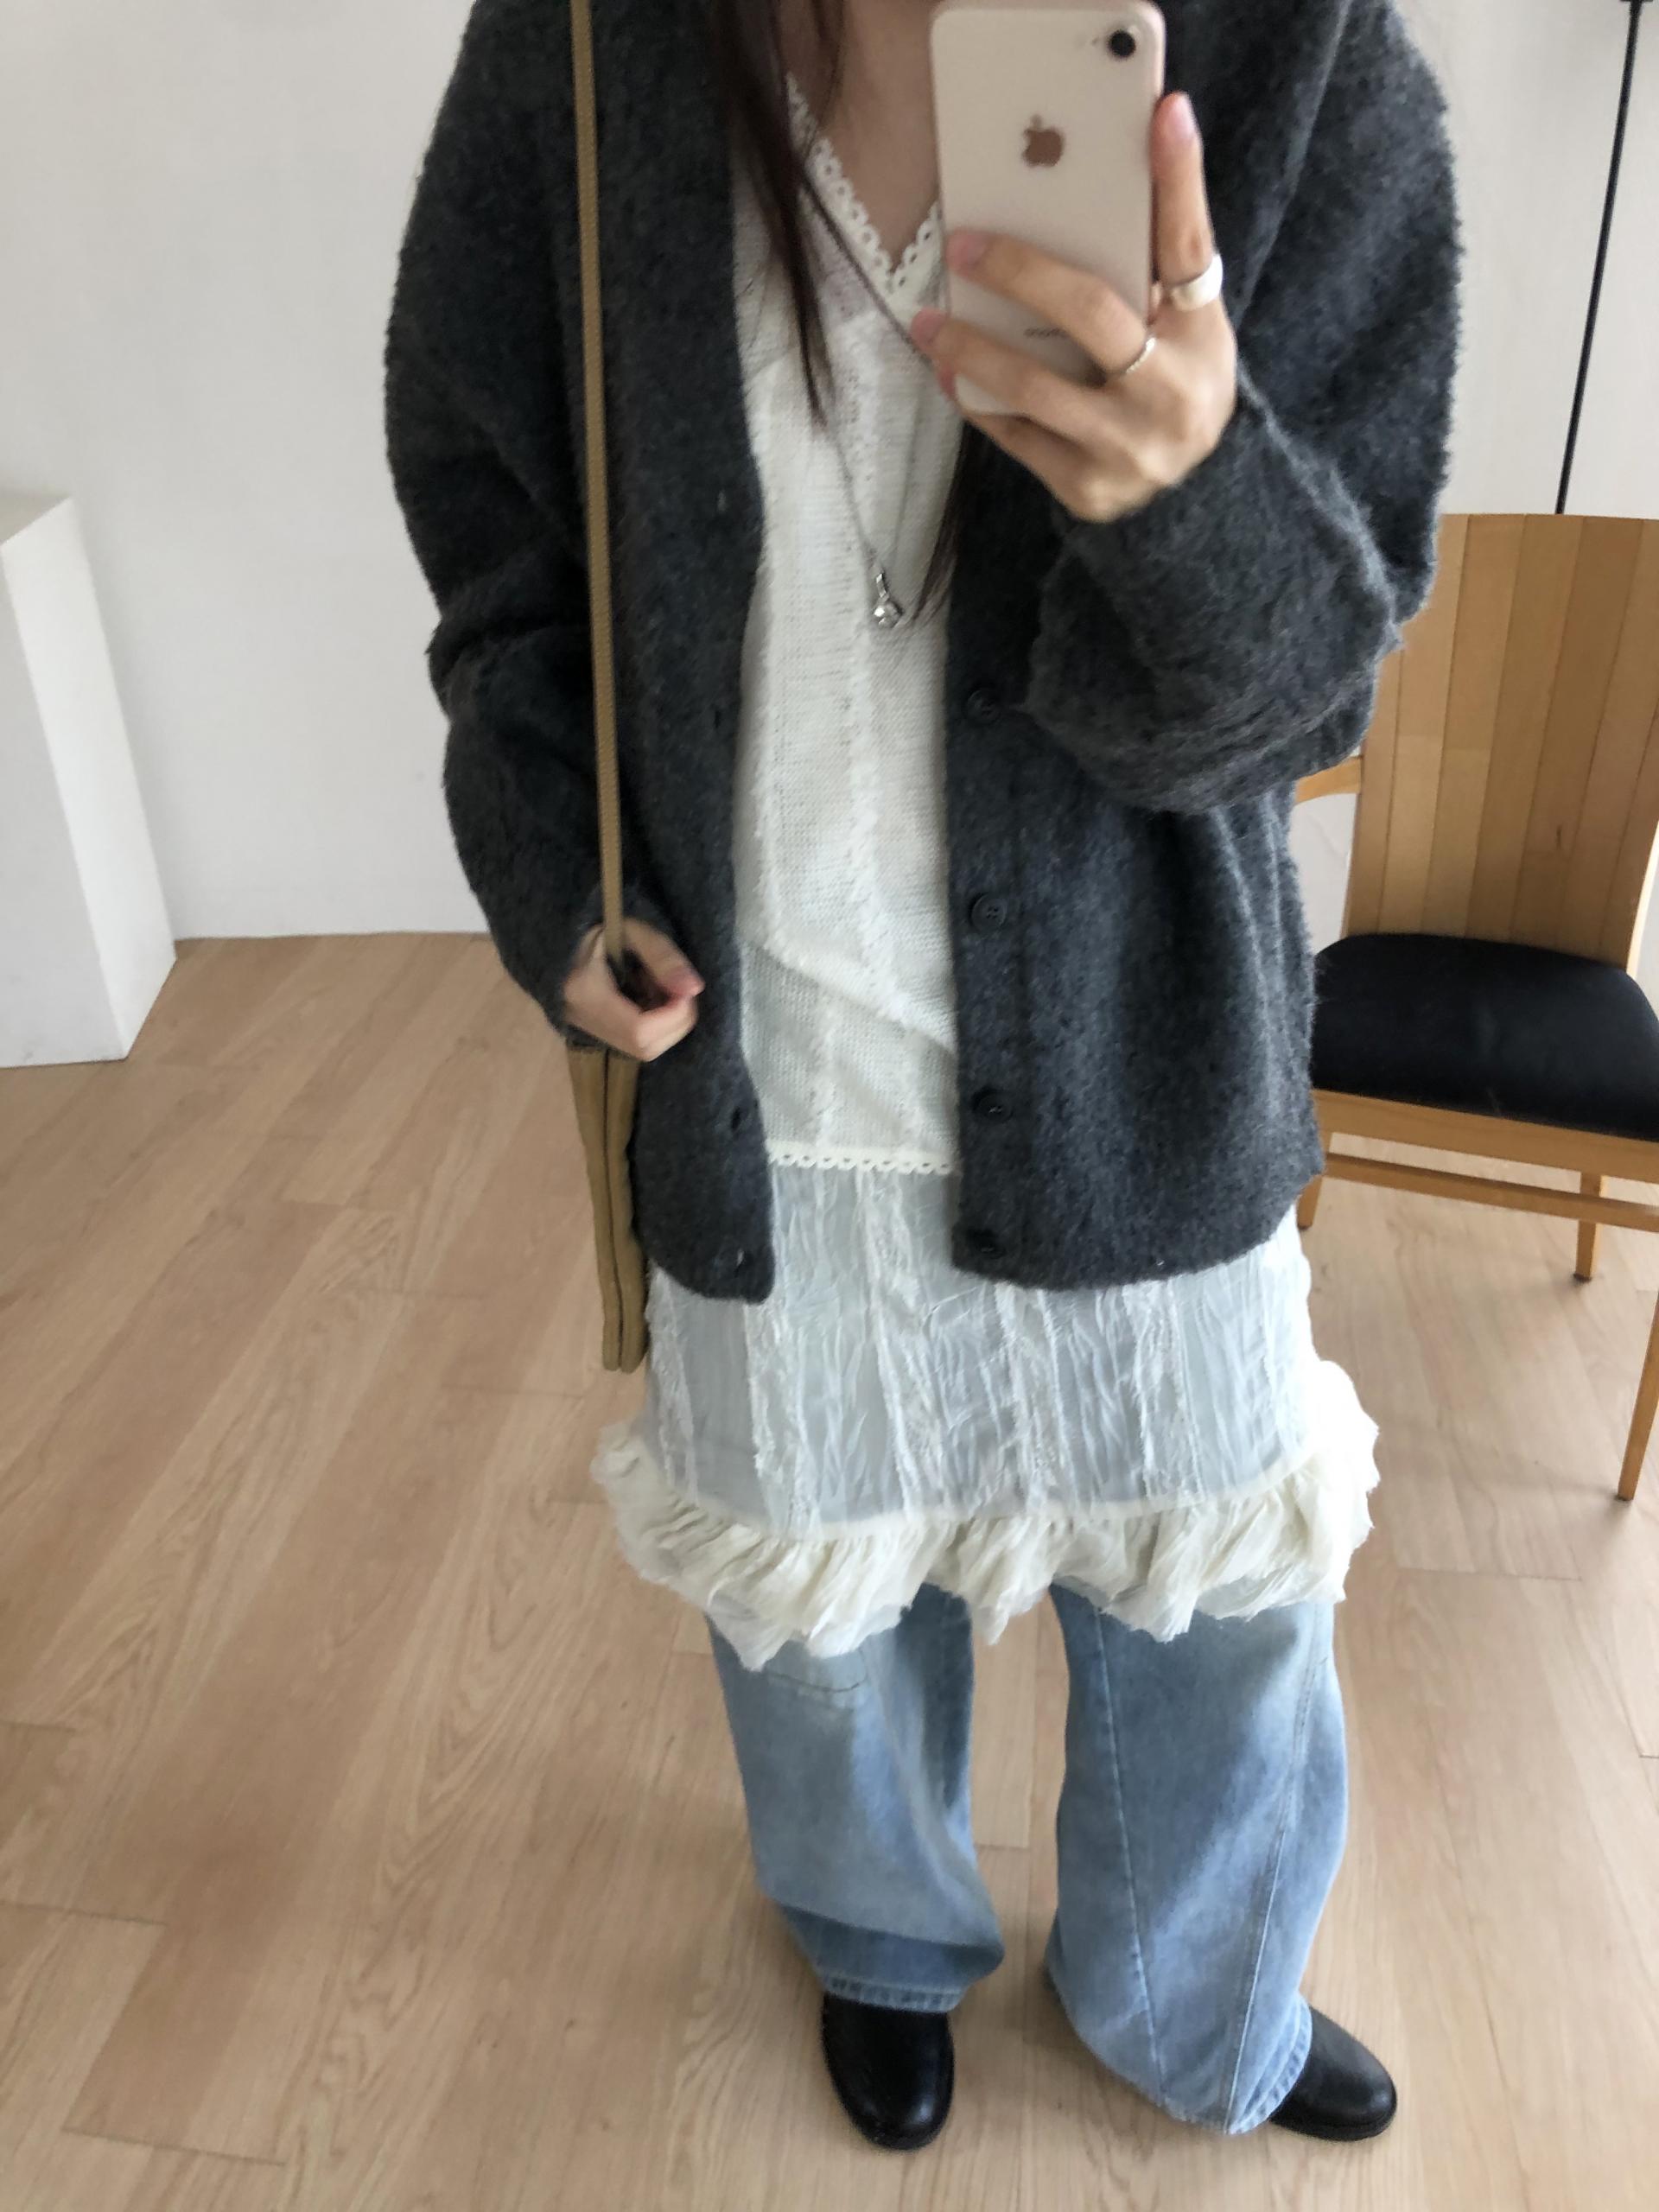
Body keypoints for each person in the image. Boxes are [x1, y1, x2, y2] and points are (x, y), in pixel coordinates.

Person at [385, 0, 1461, 2155]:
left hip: (1146, 1062)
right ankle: (879, 1941)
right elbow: (502, 541)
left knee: (1223, 1619)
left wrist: (1194, 498)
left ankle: (1198, 2002)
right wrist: (556, 871)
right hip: (764, 1072)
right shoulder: (586, 44)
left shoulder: (1298, 56)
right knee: (816, 1618)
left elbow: (1310, 703)